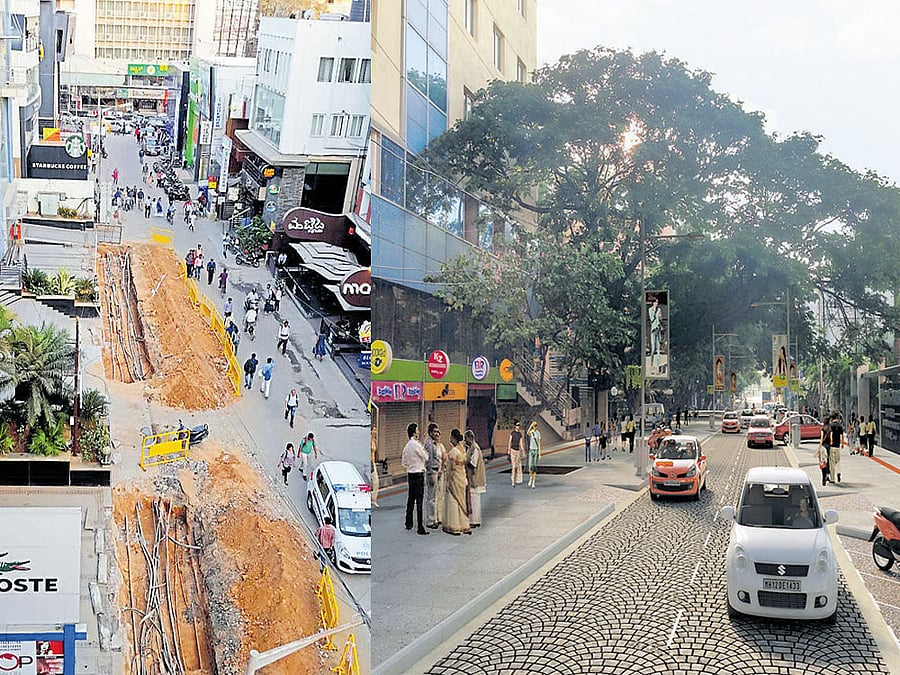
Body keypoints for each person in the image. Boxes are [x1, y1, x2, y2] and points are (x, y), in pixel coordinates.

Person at [443, 429, 471, 536]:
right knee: (462, 503)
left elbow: (452, 468)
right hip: (462, 478)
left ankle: (455, 526)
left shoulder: (454, 451)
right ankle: (465, 525)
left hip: (455, 479)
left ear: (453, 438)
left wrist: (448, 481)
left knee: (454, 502)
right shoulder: (463, 449)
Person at [401, 423, 428, 534]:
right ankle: (420, 527)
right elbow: (426, 457)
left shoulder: (407, 446)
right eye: (417, 430)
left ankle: (409, 523)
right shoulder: (416, 445)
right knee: (420, 501)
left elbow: (404, 462)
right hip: (419, 473)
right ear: (414, 432)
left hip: (410, 474)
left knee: (410, 499)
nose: (418, 432)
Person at [465, 429, 486, 526]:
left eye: (466, 439)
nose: (465, 441)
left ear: (471, 438)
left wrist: (464, 462)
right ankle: (473, 520)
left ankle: (475, 521)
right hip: (472, 479)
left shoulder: (475, 449)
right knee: (473, 500)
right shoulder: (470, 448)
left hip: (475, 479)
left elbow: (473, 464)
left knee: (475, 501)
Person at [827, 412, 843, 484]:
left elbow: (831, 434)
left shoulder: (831, 425)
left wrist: (830, 441)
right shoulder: (840, 425)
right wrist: (842, 444)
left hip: (832, 446)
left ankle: (832, 479)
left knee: (832, 463)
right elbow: (842, 435)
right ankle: (839, 472)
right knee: (838, 461)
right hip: (838, 446)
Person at [507, 420, 524, 486]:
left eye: (519, 425)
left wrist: (523, 451)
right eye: (517, 425)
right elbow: (509, 441)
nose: (518, 426)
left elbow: (521, 443)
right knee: (513, 466)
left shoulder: (520, 434)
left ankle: (518, 479)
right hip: (512, 451)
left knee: (518, 466)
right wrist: (508, 451)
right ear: (515, 426)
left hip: (518, 451)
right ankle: (513, 480)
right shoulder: (512, 433)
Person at [527, 421, 541, 488]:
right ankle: (530, 478)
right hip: (531, 450)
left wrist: (540, 453)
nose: (535, 427)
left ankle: (533, 482)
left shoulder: (538, 433)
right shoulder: (531, 432)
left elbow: (539, 443)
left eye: (536, 425)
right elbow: (527, 433)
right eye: (534, 425)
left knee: (535, 467)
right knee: (530, 466)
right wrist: (530, 425)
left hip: (536, 451)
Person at [371, 425, 380, 507]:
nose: (375, 432)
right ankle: (372, 499)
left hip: (373, 462)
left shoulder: (374, 440)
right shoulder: (370, 440)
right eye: (374, 430)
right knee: (374, 481)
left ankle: (373, 498)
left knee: (376, 482)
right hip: (370, 463)